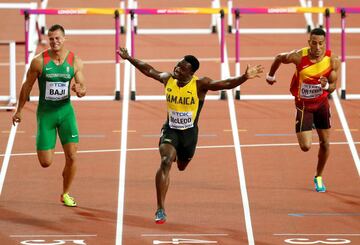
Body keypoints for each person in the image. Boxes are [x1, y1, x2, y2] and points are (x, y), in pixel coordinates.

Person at [118, 47, 263, 224]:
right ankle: (160, 208)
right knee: (165, 161)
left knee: (181, 166)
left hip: (189, 135)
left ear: (191, 72)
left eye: (181, 68)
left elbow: (224, 84)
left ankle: (177, 157)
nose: (176, 69)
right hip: (170, 130)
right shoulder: (167, 79)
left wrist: (244, 77)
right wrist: (129, 58)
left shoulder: (199, 84)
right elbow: (148, 70)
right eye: (177, 65)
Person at [12, 24, 86, 207]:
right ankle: (64, 168)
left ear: (64, 38)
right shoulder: (39, 61)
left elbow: (83, 87)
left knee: (73, 157)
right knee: (46, 162)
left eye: (58, 38)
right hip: (46, 115)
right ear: (48, 39)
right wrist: (19, 110)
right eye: (51, 38)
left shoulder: (75, 60)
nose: (54, 42)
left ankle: (65, 193)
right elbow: (27, 86)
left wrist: (80, 90)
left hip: (66, 113)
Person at [266, 28, 340, 193]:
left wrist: (326, 85)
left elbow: (334, 86)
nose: (318, 47)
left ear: (324, 43)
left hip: (321, 104)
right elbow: (279, 57)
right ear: (309, 43)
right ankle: (308, 123)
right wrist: (270, 75)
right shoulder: (299, 56)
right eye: (314, 43)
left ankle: (318, 176)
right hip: (304, 105)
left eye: (321, 43)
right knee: (306, 146)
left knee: (325, 143)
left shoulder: (332, 60)